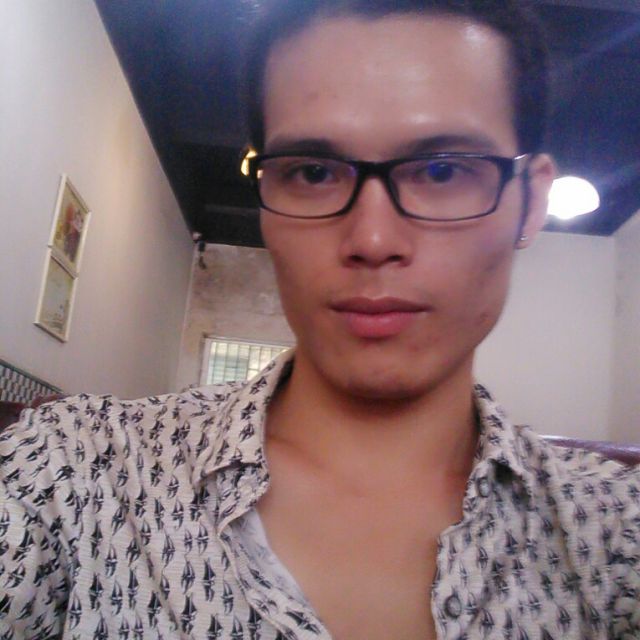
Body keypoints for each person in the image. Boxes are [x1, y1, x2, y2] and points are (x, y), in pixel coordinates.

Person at [1, 1, 638, 639]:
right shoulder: (75, 472)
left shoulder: (614, 532)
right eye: (313, 172)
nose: (373, 239)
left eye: (442, 170)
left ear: (531, 202)